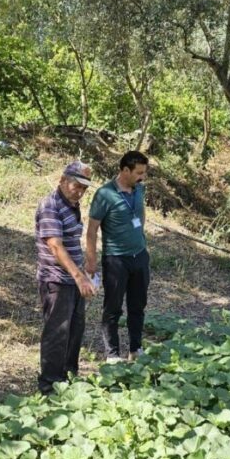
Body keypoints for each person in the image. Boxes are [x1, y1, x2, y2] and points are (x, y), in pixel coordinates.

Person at [35, 161, 97, 395]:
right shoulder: (50, 206)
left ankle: (68, 376)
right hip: (56, 279)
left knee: (75, 329)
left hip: (73, 278)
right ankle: (49, 385)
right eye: (76, 185)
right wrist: (79, 276)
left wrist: (84, 270)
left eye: (84, 188)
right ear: (62, 180)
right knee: (57, 332)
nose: (79, 192)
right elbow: (55, 246)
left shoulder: (71, 204)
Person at [85, 151, 150, 362]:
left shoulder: (139, 189)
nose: (142, 177)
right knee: (113, 308)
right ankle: (112, 355)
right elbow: (92, 230)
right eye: (139, 173)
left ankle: (135, 349)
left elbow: (140, 214)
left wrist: (139, 237)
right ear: (125, 170)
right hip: (116, 259)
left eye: (144, 172)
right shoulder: (105, 194)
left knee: (138, 306)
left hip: (139, 256)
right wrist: (91, 261)